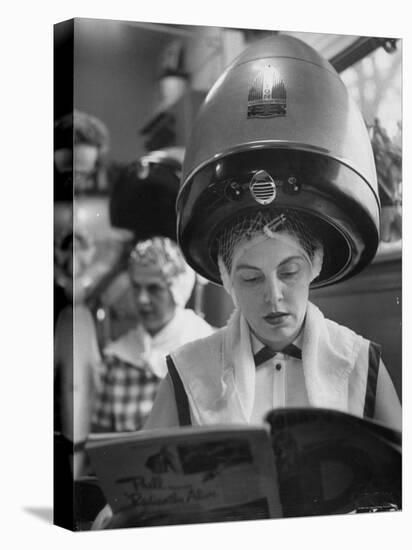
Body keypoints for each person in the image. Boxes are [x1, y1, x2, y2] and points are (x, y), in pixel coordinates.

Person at [91, 236, 214, 433]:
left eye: (154, 288)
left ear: (177, 289)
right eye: (136, 287)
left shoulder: (208, 349)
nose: (142, 299)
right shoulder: (118, 360)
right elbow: (102, 443)